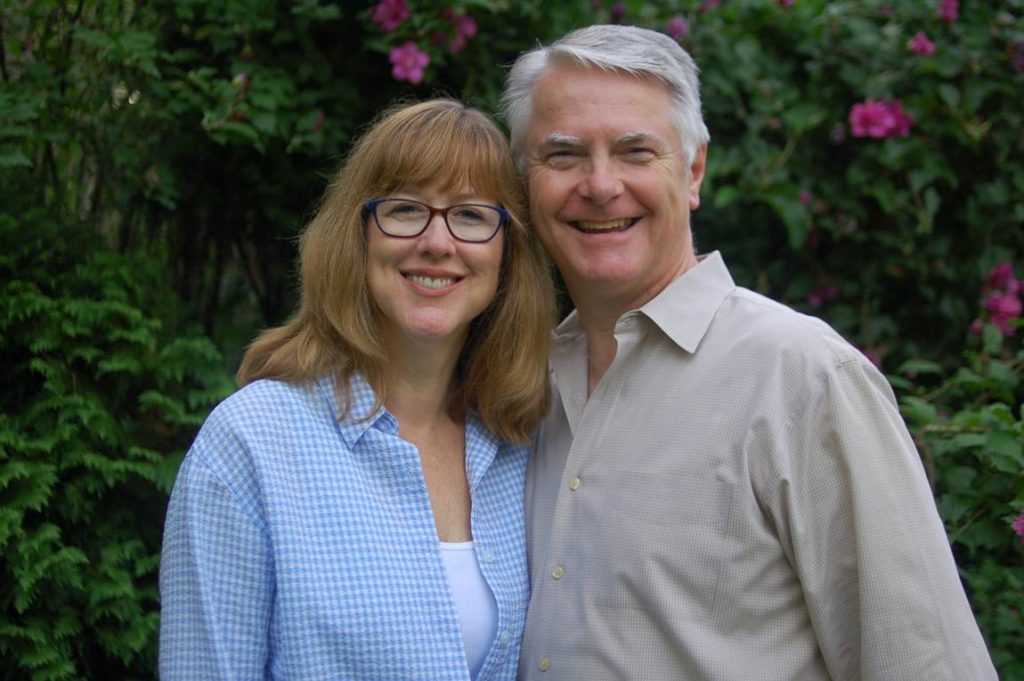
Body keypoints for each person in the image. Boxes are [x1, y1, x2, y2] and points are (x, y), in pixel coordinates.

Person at [502, 24, 997, 680]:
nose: (600, 184)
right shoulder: (521, 387)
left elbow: (925, 663)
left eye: (635, 151)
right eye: (563, 156)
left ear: (694, 169)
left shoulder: (802, 375)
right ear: (523, 183)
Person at [158, 99, 555, 680]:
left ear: (506, 253)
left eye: (470, 216)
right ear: (359, 234)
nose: (438, 242)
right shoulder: (252, 444)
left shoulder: (518, 442)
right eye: (405, 209)